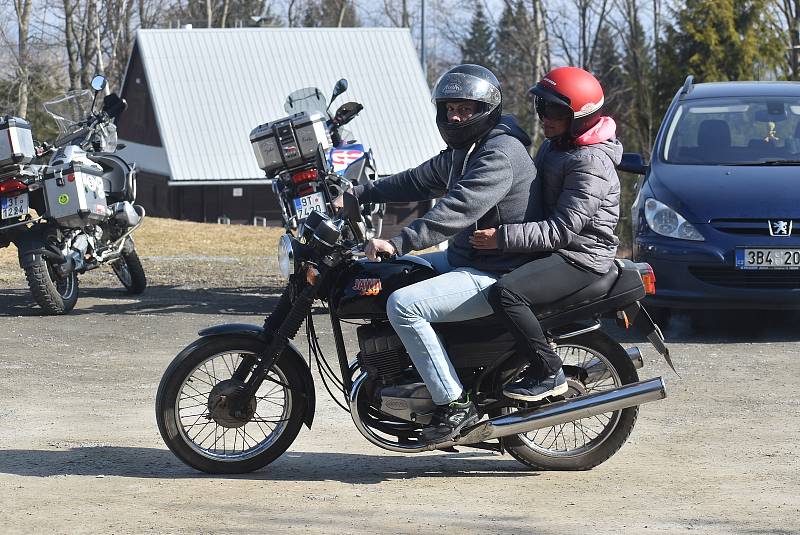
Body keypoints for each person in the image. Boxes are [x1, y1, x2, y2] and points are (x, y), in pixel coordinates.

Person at [335, 64, 543, 442]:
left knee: (404, 304)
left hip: (499, 272)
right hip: (468, 260)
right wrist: (361, 193)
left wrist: (397, 242)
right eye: (449, 108)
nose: (455, 116)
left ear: (486, 109)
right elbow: (417, 178)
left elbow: (456, 210)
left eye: (465, 108)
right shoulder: (465, 151)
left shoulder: (499, 153)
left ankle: (455, 405)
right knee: (395, 273)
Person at [470, 66, 622, 401]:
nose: (543, 117)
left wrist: (502, 237)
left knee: (507, 293)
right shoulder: (557, 146)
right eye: (541, 107)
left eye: (553, 110)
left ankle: (548, 371)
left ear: (579, 117)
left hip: (580, 256)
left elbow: (562, 230)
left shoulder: (589, 162)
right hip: (560, 249)